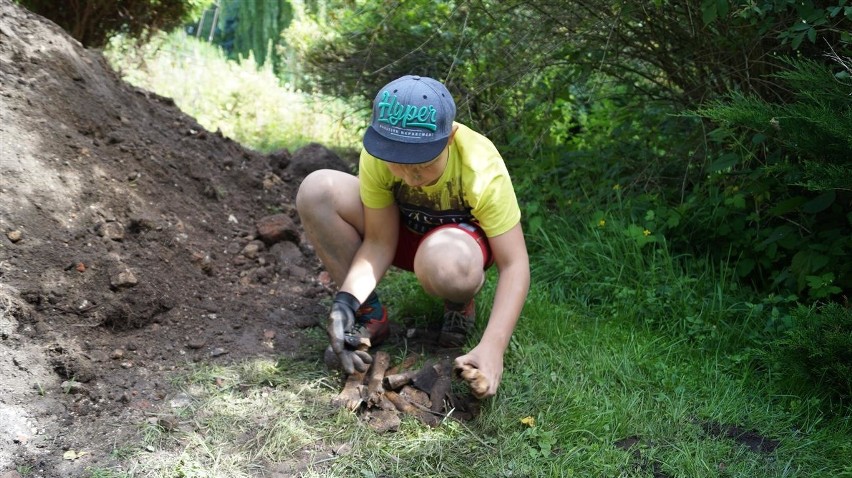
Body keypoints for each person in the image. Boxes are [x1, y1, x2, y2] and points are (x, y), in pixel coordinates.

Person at [296, 75, 529, 398]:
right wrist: (346, 302)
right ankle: (369, 316)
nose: (410, 176)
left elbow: (515, 263)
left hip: (457, 249)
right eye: (398, 163)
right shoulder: (379, 154)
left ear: (450, 138)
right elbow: (379, 241)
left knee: (445, 262)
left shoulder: (480, 165)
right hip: (404, 234)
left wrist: (493, 347)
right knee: (317, 190)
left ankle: (459, 305)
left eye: (422, 164)